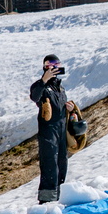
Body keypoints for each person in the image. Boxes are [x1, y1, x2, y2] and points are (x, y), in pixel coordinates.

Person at [29, 54, 68, 204]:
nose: (53, 66)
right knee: (50, 163)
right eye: (49, 63)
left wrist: (68, 107)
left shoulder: (60, 87)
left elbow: (59, 108)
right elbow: (34, 96)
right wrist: (43, 80)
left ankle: (59, 196)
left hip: (61, 128)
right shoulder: (41, 86)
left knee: (62, 161)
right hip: (48, 130)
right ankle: (46, 200)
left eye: (56, 63)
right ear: (44, 67)